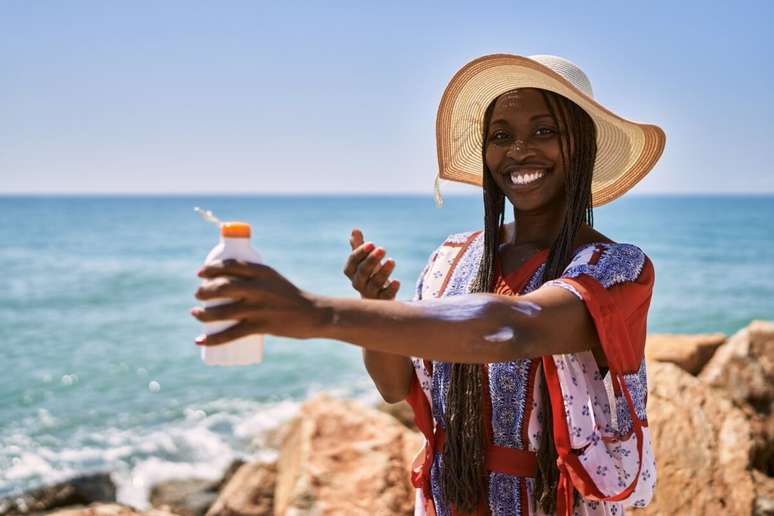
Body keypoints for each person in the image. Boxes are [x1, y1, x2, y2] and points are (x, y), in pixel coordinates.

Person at [192, 54, 665, 516]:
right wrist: (376, 307)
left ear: (582, 146)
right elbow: (394, 385)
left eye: (544, 131)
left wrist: (317, 314)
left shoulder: (615, 269)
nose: (519, 150)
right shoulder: (453, 258)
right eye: (500, 136)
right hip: (447, 497)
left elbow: (510, 329)